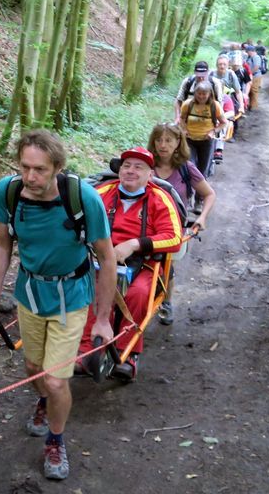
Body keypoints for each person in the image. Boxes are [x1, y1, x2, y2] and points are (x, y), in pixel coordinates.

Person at [0, 129, 116, 481]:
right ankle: (44, 403)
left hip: (71, 296)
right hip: (29, 293)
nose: (30, 177)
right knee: (32, 367)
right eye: (24, 167)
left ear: (57, 166)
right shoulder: (8, 193)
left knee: (56, 382)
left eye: (39, 169)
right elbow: (1, 245)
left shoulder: (82, 198)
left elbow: (106, 256)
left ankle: (56, 439)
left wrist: (102, 319)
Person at [78, 146, 182, 380]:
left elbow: (174, 237)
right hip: (99, 261)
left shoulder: (160, 199)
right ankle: (87, 351)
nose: (131, 171)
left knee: (139, 294)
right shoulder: (102, 192)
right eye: (126, 166)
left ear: (150, 175)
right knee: (91, 290)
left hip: (142, 264)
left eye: (139, 167)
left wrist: (135, 244)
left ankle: (128, 352)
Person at [148, 123, 216, 324]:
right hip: (145, 224)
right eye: (159, 140)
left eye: (168, 140)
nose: (163, 145)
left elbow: (209, 194)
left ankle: (165, 302)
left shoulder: (186, 169)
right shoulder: (145, 164)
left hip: (173, 228)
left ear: (178, 142)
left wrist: (202, 217)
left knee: (167, 268)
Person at [179, 81, 227, 179]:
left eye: (204, 94)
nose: (201, 96)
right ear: (195, 93)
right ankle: (189, 191)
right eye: (199, 93)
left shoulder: (215, 106)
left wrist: (213, 131)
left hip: (207, 141)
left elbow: (224, 123)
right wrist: (183, 129)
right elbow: (182, 119)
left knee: (203, 170)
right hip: (189, 140)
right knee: (190, 166)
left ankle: (200, 193)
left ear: (209, 94)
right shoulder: (188, 104)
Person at [246, 45, 264, 110]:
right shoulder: (250, 57)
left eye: (247, 51)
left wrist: (250, 73)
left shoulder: (256, 57)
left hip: (256, 75)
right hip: (251, 76)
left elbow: (256, 67)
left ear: (251, 51)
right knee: (250, 90)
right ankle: (250, 104)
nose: (247, 53)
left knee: (254, 90)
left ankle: (254, 106)